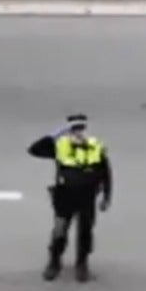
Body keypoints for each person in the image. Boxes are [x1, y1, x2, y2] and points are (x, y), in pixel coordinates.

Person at [27, 114, 113, 282]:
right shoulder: (60, 146)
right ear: (67, 131)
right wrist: (56, 133)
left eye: (81, 129)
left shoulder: (95, 147)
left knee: (85, 233)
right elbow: (34, 150)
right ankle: (54, 262)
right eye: (73, 129)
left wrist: (106, 196)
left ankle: (82, 265)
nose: (78, 133)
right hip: (64, 197)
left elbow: (106, 173)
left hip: (87, 197)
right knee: (60, 231)